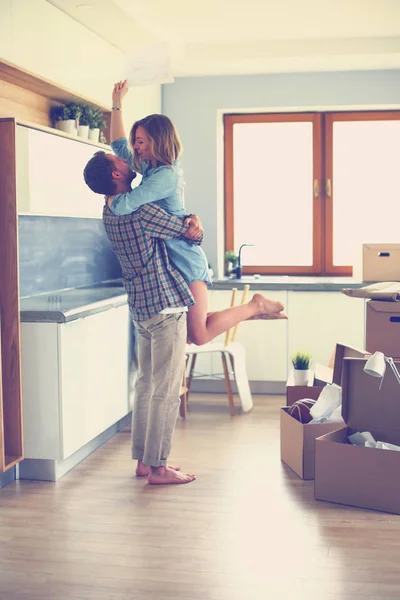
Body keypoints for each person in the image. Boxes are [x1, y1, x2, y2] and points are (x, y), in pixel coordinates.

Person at [106, 80, 287, 347]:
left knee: (198, 335)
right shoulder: (151, 166)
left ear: (157, 142)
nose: (136, 147)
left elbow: (127, 204)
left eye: (141, 141)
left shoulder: (165, 176)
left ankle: (255, 307)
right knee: (191, 331)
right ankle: (252, 311)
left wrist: (107, 199)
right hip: (171, 262)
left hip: (186, 260)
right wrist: (117, 104)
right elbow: (118, 144)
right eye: (136, 141)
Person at [84, 151, 203, 485]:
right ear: (116, 176)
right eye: (119, 161)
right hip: (165, 306)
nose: (127, 161)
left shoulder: (109, 211)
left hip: (141, 309)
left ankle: (143, 461)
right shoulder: (141, 212)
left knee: (146, 384)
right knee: (166, 390)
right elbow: (190, 234)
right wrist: (195, 220)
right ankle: (159, 468)